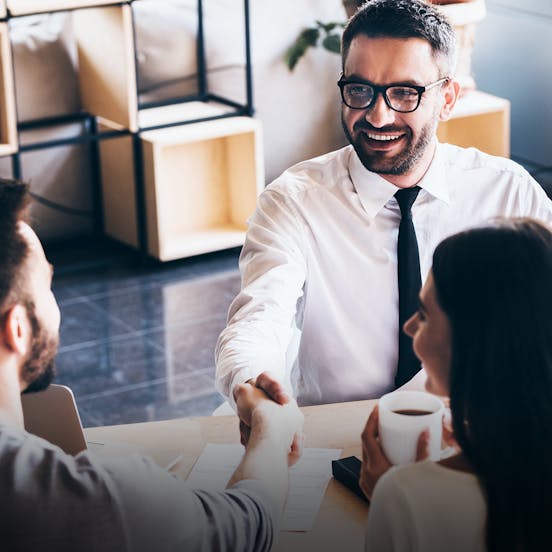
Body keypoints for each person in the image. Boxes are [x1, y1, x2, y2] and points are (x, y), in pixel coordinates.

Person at [215, 0, 552, 425]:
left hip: (471, 431)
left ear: (447, 99)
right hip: (332, 433)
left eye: (404, 93)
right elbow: (258, 317)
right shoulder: (292, 201)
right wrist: (252, 381)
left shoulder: (507, 191)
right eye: (360, 90)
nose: (378, 114)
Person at [0, 179, 304, 551]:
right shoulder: (98, 502)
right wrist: (271, 432)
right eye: (47, 285)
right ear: (17, 329)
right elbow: (250, 522)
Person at [362, 218, 552, 551]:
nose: (408, 327)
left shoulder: (404, 498)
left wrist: (394, 494)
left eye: (423, 314)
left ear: (472, 342)